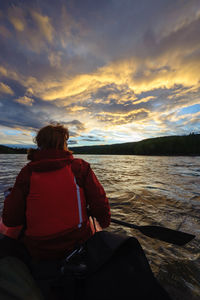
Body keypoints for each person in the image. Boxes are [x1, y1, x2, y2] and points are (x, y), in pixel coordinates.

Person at [2, 123, 111, 260]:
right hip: (78, 245)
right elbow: (101, 208)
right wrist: (101, 222)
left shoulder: (27, 172)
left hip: (38, 251)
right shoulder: (80, 167)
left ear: (40, 144)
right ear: (63, 144)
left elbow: (10, 220)